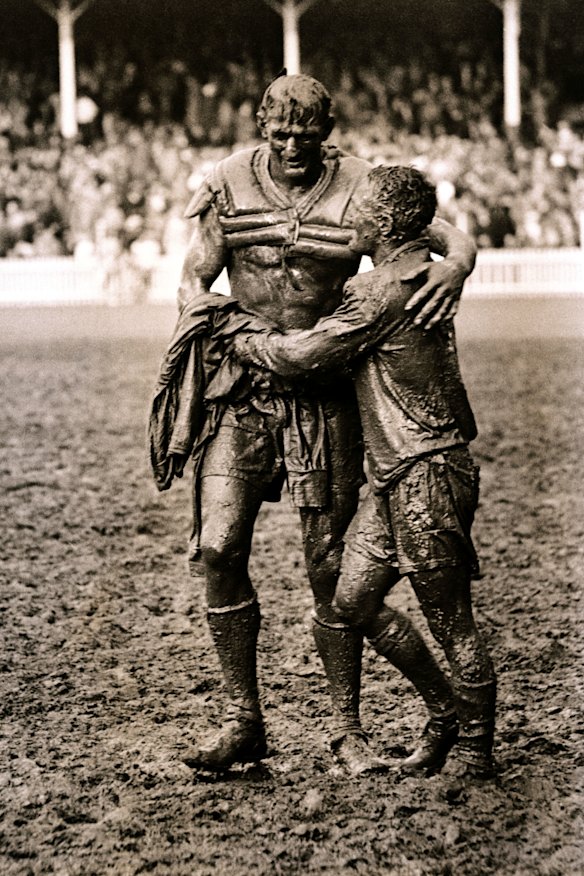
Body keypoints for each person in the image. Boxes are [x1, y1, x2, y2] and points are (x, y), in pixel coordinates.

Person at [175, 73, 478, 774]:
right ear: (262, 127)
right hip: (244, 390)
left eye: (305, 134)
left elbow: (443, 235)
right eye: (280, 132)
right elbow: (196, 273)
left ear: (326, 132)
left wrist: (459, 265)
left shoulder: (362, 183)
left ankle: (347, 730)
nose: (291, 145)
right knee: (218, 547)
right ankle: (243, 720)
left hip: (327, 395)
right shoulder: (227, 181)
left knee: (329, 567)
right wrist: (199, 311)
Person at [234, 165, 497, 783]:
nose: (349, 215)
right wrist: (460, 257)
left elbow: (302, 355)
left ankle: (476, 750)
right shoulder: (419, 272)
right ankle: (445, 714)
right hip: (398, 475)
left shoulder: (378, 292)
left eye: (360, 209)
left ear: (383, 223)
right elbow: (435, 233)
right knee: (351, 601)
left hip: (426, 472)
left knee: (451, 620)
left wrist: (242, 337)